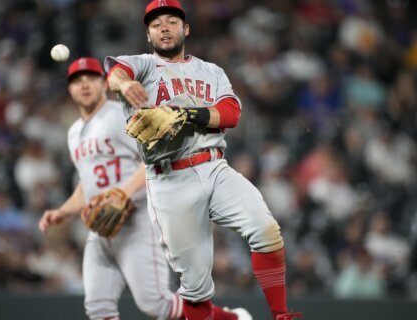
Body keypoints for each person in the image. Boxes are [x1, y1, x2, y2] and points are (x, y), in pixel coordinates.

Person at [104, 1, 303, 320]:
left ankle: (281, 314)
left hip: (214, 167)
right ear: (148, 34)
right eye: (156, 24)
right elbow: (115, 73)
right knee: (196, 289)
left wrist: (183, 113)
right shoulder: (141, 65)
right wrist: (124, 84)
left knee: (266, 230)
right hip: (169, 179)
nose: (164, 27)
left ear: (186, 29)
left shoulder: (211, 71)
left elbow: (231, 114)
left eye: (171, 21)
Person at [38, 57, 248, 320]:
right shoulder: (73, 132)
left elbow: (154, 159)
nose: (84, 85)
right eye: (77, 81)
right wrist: (63, 212)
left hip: (137, 220)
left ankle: (231, 319)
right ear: (69, 89)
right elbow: (87, 183)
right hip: (101, 227)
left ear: (104, 83)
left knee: (157, 304)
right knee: (97, 307)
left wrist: (123, 194)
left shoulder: (117, 116)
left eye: (91, 78)